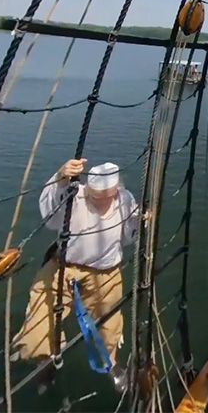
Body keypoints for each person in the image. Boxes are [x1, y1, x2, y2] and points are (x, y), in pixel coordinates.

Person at [12, 159, 138, 390]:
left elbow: (131, 237)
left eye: (105, 195)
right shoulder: (74, 197)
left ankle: (111, 364)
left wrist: (141, 221)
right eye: (95, 194)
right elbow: (50, 216)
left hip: (106, 271)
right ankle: (45, 360)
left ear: (116, 190)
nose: (99, 199)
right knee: (40, 319)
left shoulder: (125, 200)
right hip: (64, 266)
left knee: (109, 324)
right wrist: (61, 178)